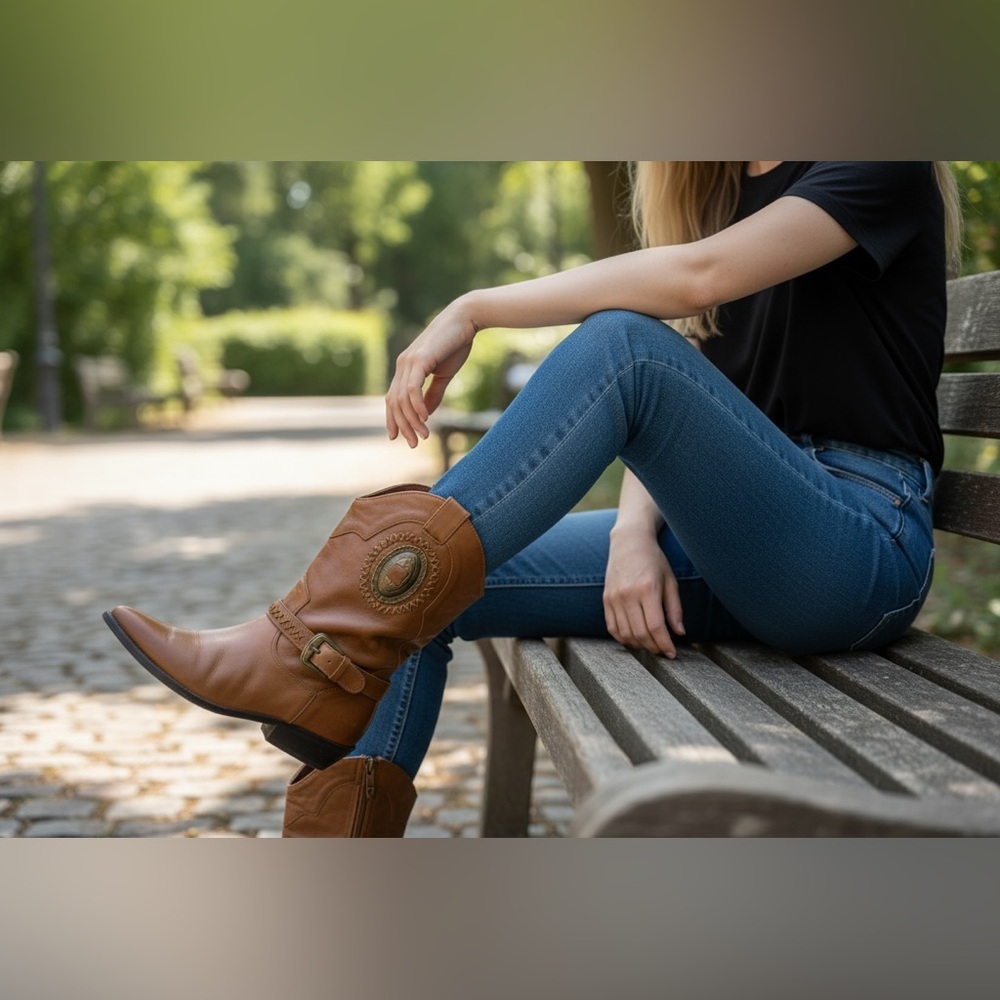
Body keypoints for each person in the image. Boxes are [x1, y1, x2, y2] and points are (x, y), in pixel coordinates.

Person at [105, 162, 962, 837]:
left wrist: (476, 308)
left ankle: (304, 646)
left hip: (856, 546)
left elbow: (697, 282)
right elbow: (702, 425)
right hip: (742, 546)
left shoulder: (871, 153)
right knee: (423, 606)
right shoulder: (720, 194)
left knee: (623, 342)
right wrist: (634, 536)